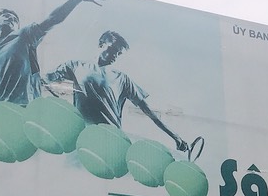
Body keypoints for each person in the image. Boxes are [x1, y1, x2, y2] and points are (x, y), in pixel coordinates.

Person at [0, 0, 105, 104]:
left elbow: (53, 19)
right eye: (6, 16)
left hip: (27, 109)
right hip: (1, 110)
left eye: (15, 19)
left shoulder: (24, 35)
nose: (11, 19)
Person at [46, 30, 187, 151]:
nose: (115, 56)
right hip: (82, 138)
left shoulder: (122, 79)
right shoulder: (75, 65)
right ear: (101, 44)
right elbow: (45, 80)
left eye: (119, 54)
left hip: (111, 141)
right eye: (113, 50)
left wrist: (174, 136)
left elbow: (148, 110)